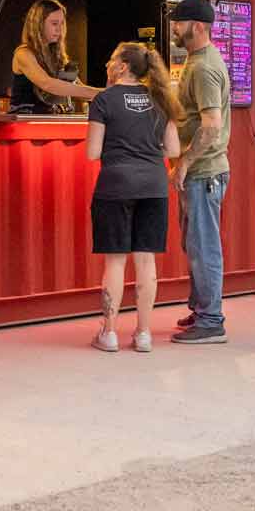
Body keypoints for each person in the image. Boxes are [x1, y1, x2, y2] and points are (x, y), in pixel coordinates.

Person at [86, 43, 183, 353]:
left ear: (123, 66)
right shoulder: (162, 100)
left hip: (115, 186)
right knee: (146, 262)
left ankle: (110, 333)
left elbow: (92, 152)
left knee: (115, 261)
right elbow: (174, 151)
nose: (107, 63)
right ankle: (143, 334)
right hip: (153, 187)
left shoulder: (103, 100)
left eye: (112, 59)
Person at [168, 0, 232, 344]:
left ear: (197, 26)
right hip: (201, 172)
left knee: (204, 246)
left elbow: (210, 125)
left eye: (178, 22)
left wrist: (185, 163)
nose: (174, 28)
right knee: (194, 244)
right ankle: (201, 309)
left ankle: (211, 320)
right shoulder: (198, 61)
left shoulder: (204, 67)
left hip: (204, 172)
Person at [10, 0, 100, 114]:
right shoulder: (23, 53)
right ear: (38, 24)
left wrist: (109, 92)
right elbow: (48, 84)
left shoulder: (56, 56)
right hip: (24, 124)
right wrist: (100, 93)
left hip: (47, 123)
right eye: (54, 24)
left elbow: (77, 88)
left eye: (62, 23)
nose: (60, 29)